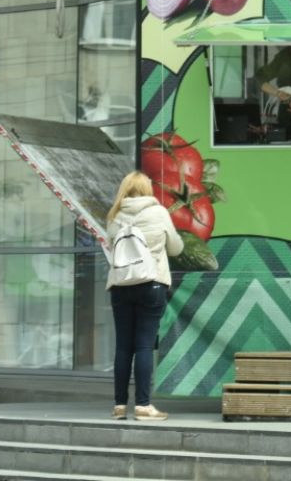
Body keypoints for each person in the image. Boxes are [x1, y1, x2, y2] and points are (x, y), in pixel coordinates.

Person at [106, 171, 184, 421]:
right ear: (146, 189)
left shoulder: (115, 215)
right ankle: (143, 405)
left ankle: (119, 405)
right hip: (151, 283)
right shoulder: (158, 212)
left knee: (123, 346)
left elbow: (110, 246)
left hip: (120, 285)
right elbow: (176, 248)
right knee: (143, 345)